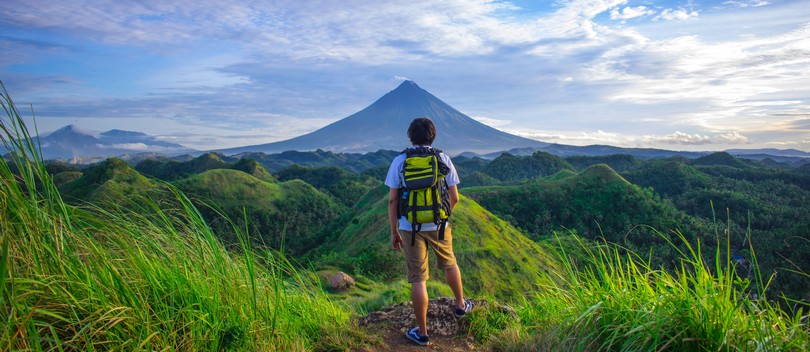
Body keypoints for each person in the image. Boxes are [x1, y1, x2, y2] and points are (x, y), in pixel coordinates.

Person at [384, 117, 472, 346]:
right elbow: (455, 197)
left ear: (410, 136)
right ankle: (461, 305)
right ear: (433, 136)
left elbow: (393, 201)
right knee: (450, 263)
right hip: (439, 225)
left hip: (409, 227)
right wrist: (442, 217)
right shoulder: (442, 158)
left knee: (418, 278)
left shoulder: (400, 161)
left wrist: (394, 231)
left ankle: (422, 333)